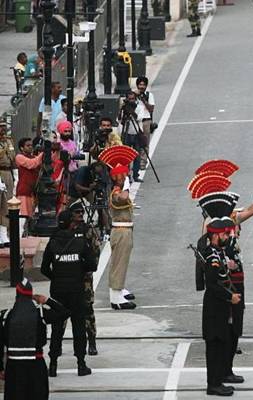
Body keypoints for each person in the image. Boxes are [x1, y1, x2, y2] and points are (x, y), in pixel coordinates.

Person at [40, 210, 97, 377]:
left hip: (58, 291)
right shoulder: (80, 243)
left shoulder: (52, 243)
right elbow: (92, 265)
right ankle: (81, 364)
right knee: (78, 327)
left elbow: (44, 268)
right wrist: (79, 271)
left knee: (57, 328)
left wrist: (56, 277)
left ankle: (53, 365)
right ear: (70, 224)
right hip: (76, 290)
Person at [0, 279, 69, 400]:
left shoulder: (5, 315)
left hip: (14, 367)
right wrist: (47, 300)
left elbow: (0, 345)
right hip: (36, 365)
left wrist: (0, 368)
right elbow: (65, 313)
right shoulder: (40, 313)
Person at [199, 217, 242, 396]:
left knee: (220, 343)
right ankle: (213, 384)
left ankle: (217, 381)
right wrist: (230, 296)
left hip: (220, 308)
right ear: (216, 235)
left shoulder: (217, 253)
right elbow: (213, 283)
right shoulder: (212, 256)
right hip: (214, 308)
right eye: (225, 233)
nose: (228, 236)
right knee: (215, 346)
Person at [223, 204, 253, 380]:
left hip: (236, 287)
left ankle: (226, 369)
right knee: (230, 328)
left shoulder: (230, 237)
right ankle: (224, 371)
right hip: (230, 289)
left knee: (234, 328)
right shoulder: (225, 240)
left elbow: (251, 210)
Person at [69, 200, 101, 356]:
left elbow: (96, 250)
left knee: (88, 308)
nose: (80, 215)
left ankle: (92, 341)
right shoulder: (65, 229)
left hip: (85, 276)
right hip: (69, 275)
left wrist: (90, 266)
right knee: (64, 309)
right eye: (77, 212)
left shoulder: (88, 230)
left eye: (82, 212)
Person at [106, 163, 137, 309]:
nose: (125, 176)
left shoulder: (118, 190)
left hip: (125, 231)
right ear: (116, 178)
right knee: (119, 264)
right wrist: (126, 186)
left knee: (121, 262)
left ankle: (119, 289)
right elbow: (123, 198)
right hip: (121, 232)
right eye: (122, 175)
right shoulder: (116, 193)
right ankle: (116, 298)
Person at [15, 137, 43, 229]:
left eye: (31, 145)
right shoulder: (19, 157)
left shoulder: (34, 157)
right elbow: (32, 164)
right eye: (28, 145)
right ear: (21, 148)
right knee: (24, 217)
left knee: (31, 217)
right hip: (24, 191)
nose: (31, 147)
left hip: (32, 192)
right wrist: (42, 154)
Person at [119, 91, 143, 182]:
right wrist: (123, 110)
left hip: (136, 134)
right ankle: (127, 176)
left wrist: (131, 110)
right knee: (126, 156)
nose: (131, 101)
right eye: (129, 99)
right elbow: (120, 120)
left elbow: (138, 118)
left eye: (133, 99)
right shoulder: (124, 108)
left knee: (137, 156)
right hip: (126, 133)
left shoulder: (139, 107)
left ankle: (136, 175)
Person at [0, 121, 16, 248]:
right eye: (0, 127)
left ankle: (4, 234)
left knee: (7, 204)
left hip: (7, 173)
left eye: (4, 127)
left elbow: (13, 158)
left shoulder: (8, 142)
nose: (3, 130)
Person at [134, 76, 155, 170]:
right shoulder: (133, 95)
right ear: (137, 85)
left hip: (146, 121)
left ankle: (143, 162)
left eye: (143, 85)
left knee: (145, 143)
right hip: (135, 121)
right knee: (135, 142)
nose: (141, 87)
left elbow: (151, 109)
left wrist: (143, 100)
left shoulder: (149, 95)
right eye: (140, 84)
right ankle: (135, 162)